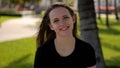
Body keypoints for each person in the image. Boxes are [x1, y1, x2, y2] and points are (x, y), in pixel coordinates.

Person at [34, 2, 96, 68]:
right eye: (56, 20)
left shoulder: (87, 50)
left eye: (65, 17)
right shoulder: (42, 53)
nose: (62, 23)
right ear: (51, 26)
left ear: (73, 19)